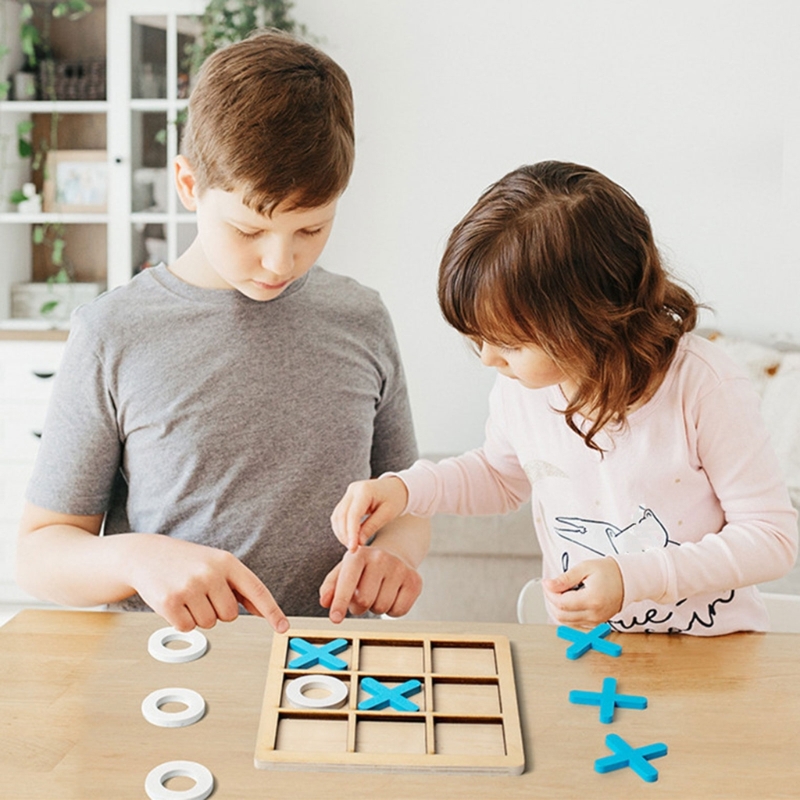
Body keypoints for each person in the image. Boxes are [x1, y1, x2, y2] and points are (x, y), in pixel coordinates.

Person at [16, 30, 429, 633]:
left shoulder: (361, 317)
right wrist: (136, 556)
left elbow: (408, 500)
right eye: (248, 230)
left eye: (311, 231)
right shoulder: (113, 332)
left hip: (325, 670)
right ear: (188, 185)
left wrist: (396, 553)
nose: (280, 263)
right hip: (167, 676)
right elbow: (38, 554)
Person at [332, 161, 798, 635]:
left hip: (714, 657)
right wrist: (405, 489)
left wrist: (632, 578)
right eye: (479, 339)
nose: (489, 360)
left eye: (510, 344)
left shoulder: (704, 386)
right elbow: (499, 475)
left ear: (587, 321)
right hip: (589, 651)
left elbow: (772, 536)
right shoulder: (522, 389)